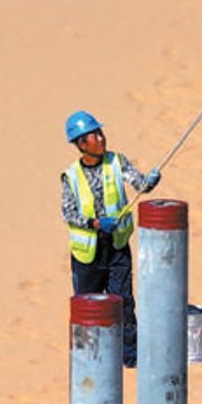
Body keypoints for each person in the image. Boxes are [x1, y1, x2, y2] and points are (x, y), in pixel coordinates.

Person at [61, 110, 161, 367]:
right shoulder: (71, 176)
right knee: (88, 306)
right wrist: (96, 223)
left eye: (100, 132)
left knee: (123, 302)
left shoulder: (117, 161)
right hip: (88, 254)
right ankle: (88, 358)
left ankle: (130, 355)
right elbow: (68, 213)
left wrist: (149, 182)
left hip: (116, 246)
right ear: (82, 144)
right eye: (94, 135)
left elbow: (139, 183)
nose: (101, 138)